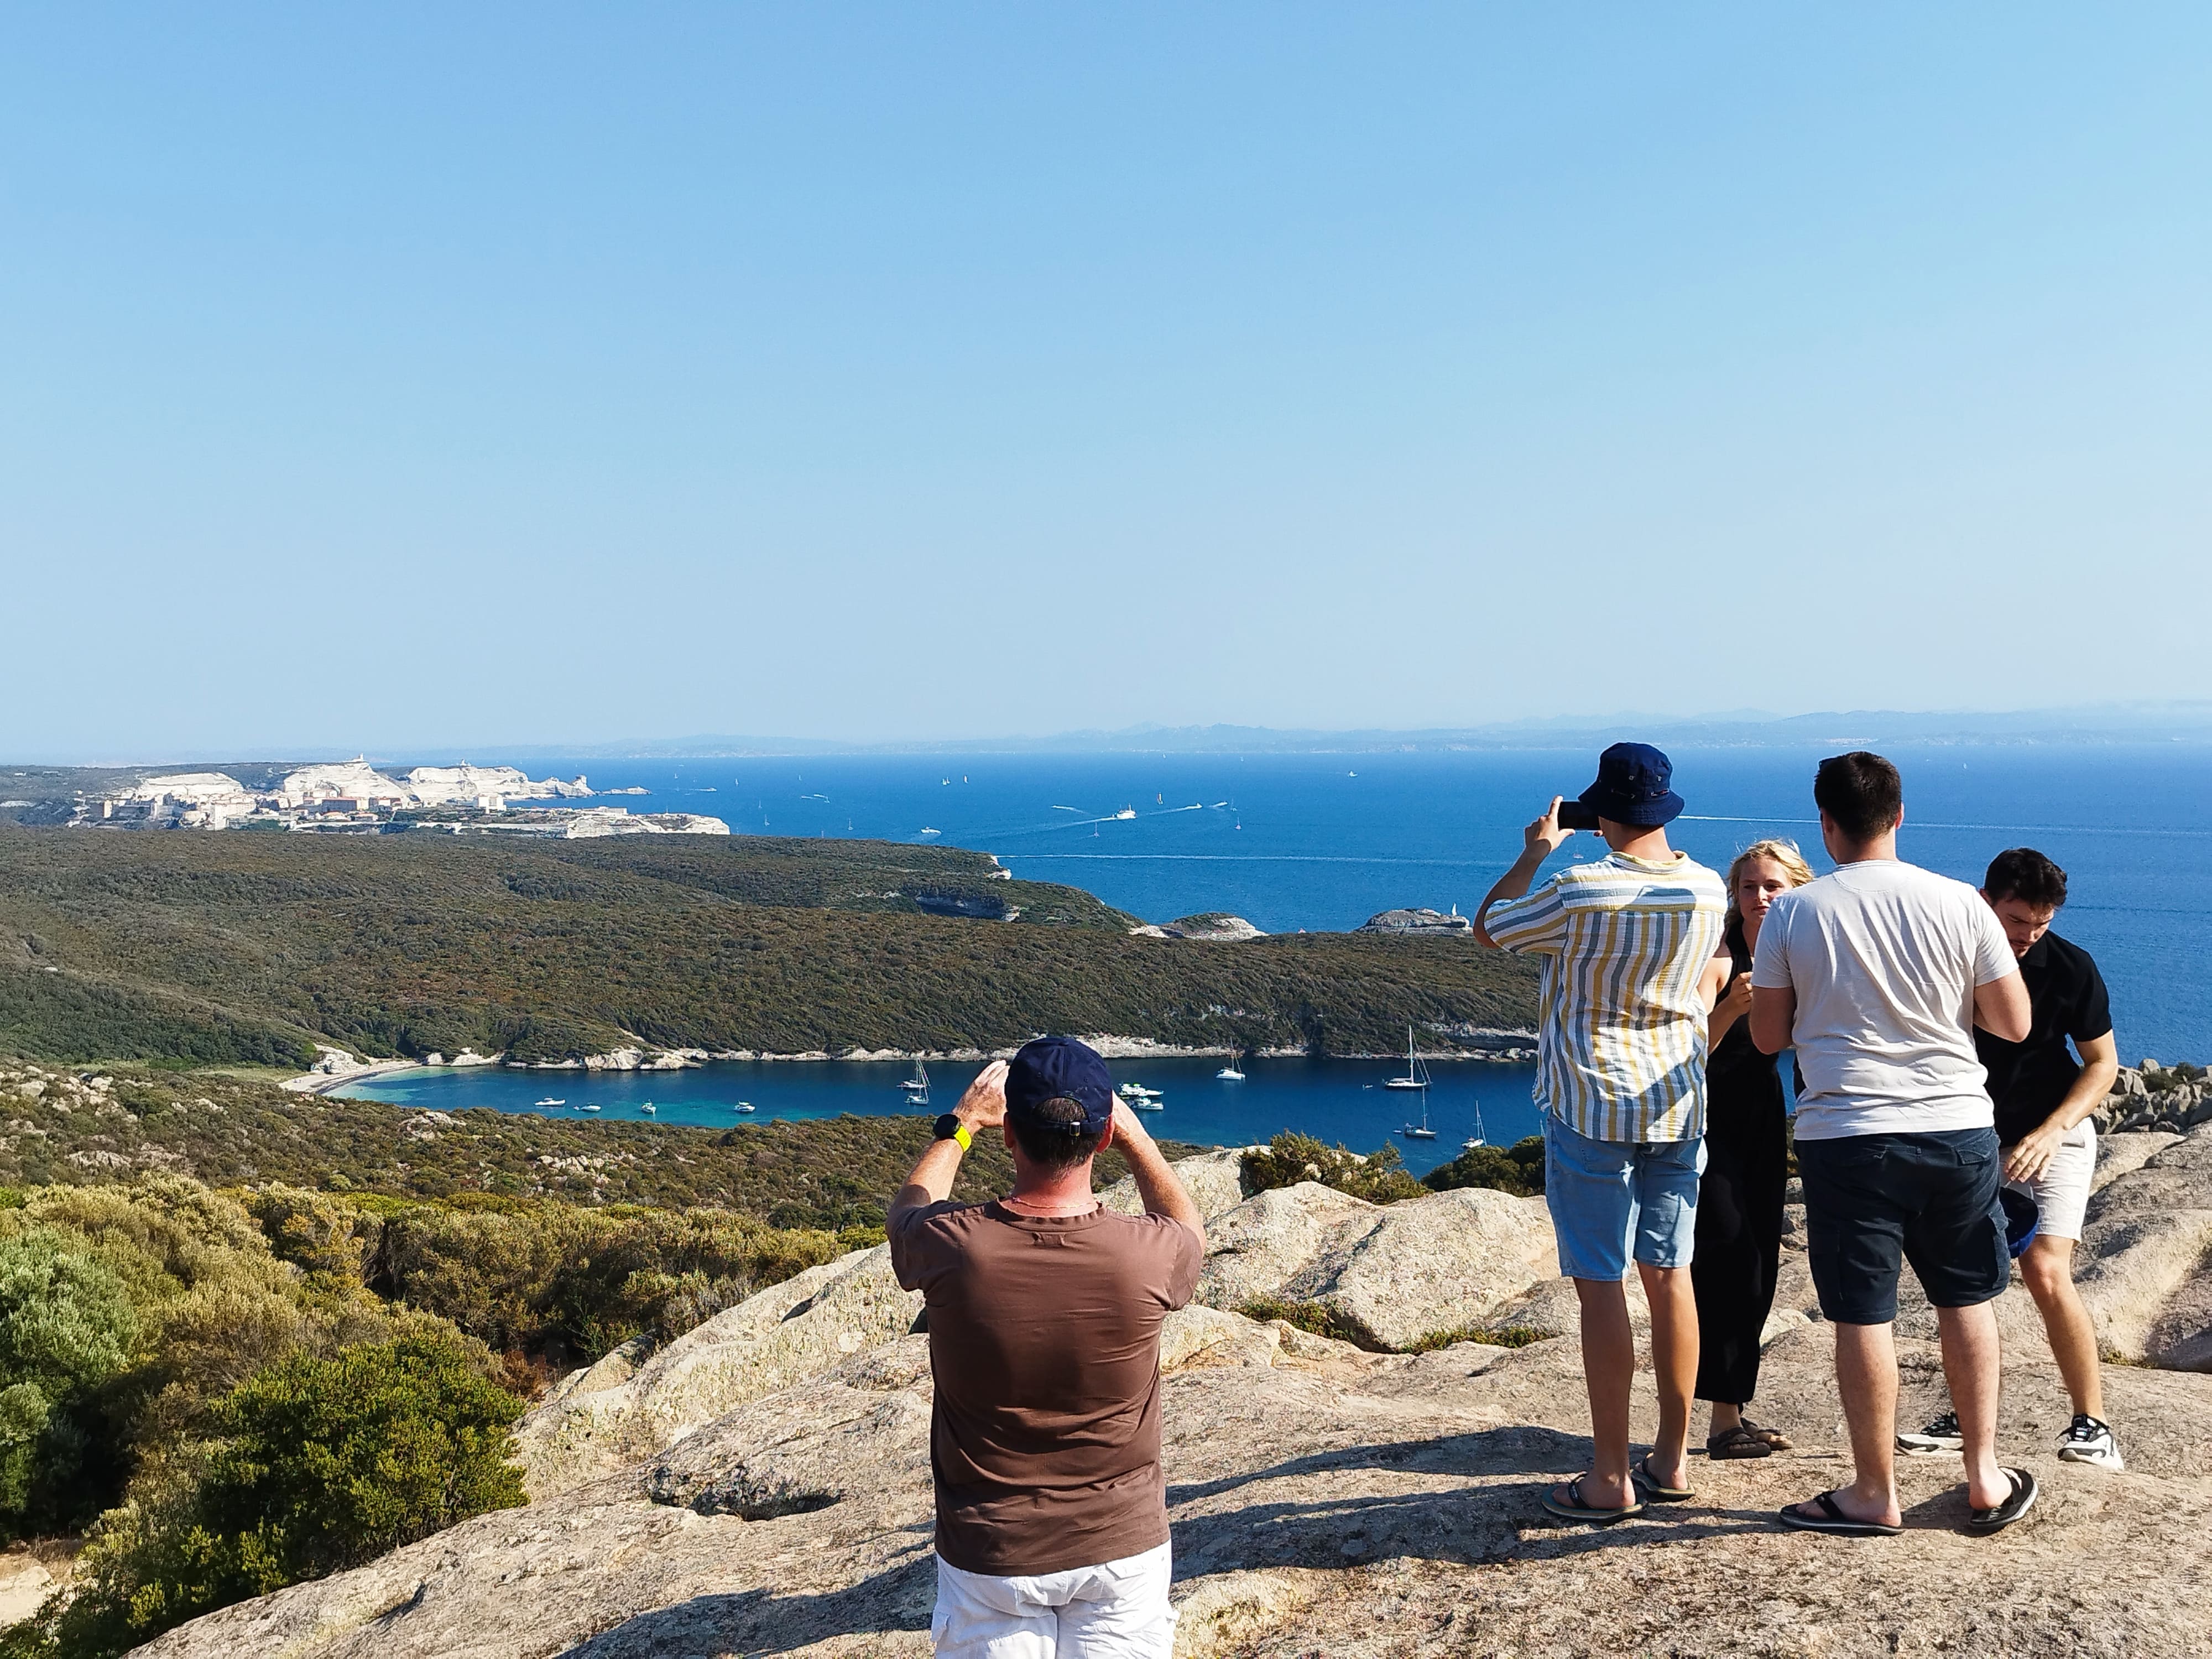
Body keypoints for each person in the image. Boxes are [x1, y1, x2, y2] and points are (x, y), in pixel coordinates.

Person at [1749, 752, 2038, 1538]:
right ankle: (1982, 1476)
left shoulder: (1793, 914)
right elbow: (2014, 1024)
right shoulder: (1961, 905)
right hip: (1954, 1126)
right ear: (1901, 817)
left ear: (1827, 824)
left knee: (1864, 1317)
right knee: (1966, 1299)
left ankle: (1875, 1492)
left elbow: (1769, 1036)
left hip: (1848, 1135)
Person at [1474, 742, 1728, 1524]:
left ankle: (1611, 1476)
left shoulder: (1581, 887)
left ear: (1603, 813)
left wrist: (1536, 853)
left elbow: (1490, 929)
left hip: (1591, 1102)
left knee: (1601, 1284)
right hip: (1678, 1101)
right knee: (1672, 1275)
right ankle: (1675, 1460)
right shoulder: (1707, 886)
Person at [888, 1037, 1205, 1658]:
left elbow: (906, 1211)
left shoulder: (953, 1246)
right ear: (1104, 1134)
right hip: (1122, 1546)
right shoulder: (1149, 1254)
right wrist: (1139, 1139)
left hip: (990, 1553)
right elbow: (1188, 1226)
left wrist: (959, 1126)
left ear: (1010, 1134)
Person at [1896, 848, 2124, 1470]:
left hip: (2053, 1133)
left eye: (2040, 924)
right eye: (2016, 919)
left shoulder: (2070, 967)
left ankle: (2093, 1423)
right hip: (1966, 1136)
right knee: (1965, 1282)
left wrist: (2054, 1130)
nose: (2026, 936)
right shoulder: (1944, 961)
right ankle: (1966, 1416)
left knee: (2045, 1272)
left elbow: (2102, 1065)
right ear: (1984, 901)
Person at [1692, 838, 1815, 1459]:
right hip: (1708, 1122)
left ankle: (1730, 1412)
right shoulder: (1719, 953)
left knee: (1758, 1262)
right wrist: (1730, 1010)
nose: (1760, 897)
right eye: (1749, 887)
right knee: (1723, 1260)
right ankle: (1718, 1423)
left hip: (1764, 1119)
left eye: (1773, 887)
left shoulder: (1804, 948)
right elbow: (1687, 1056)